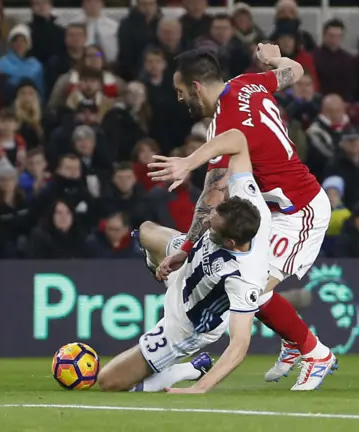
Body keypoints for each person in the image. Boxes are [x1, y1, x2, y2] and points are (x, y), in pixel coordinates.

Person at [148, 45, 336, 391]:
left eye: (179, 92)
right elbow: (294, 72)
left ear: (196, 87)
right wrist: (275, 58)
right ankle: (296, 341)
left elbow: (212, 198)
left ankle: (316, 354)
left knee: (252, 288)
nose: (179, 100)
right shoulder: (246, 83)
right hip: (272, 211)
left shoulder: (225, 125)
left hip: (299, 212)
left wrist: (186, 247)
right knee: (248, 284)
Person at [97, 145, 272, 394]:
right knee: (146, 230)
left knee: (108, 382)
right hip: (190, 263)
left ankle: (189, 369)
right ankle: (161, 266)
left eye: (213, 228)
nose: (207, 225)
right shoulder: (249, 207)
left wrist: (200, 388)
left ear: (230, 243)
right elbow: (239, 141)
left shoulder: (243, 278)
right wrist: (191, 161)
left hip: (186, 322)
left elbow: (240, 345)